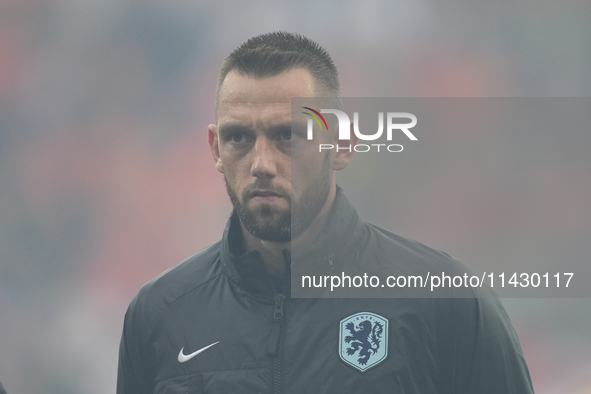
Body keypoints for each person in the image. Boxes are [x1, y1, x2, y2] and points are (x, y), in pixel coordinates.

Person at [117, 32, 534, 393]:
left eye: (288, 135)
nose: (261, 162)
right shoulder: (159, 314)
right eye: (239, 137)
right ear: (215, 150)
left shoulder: (446, 300)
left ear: (343, 144)